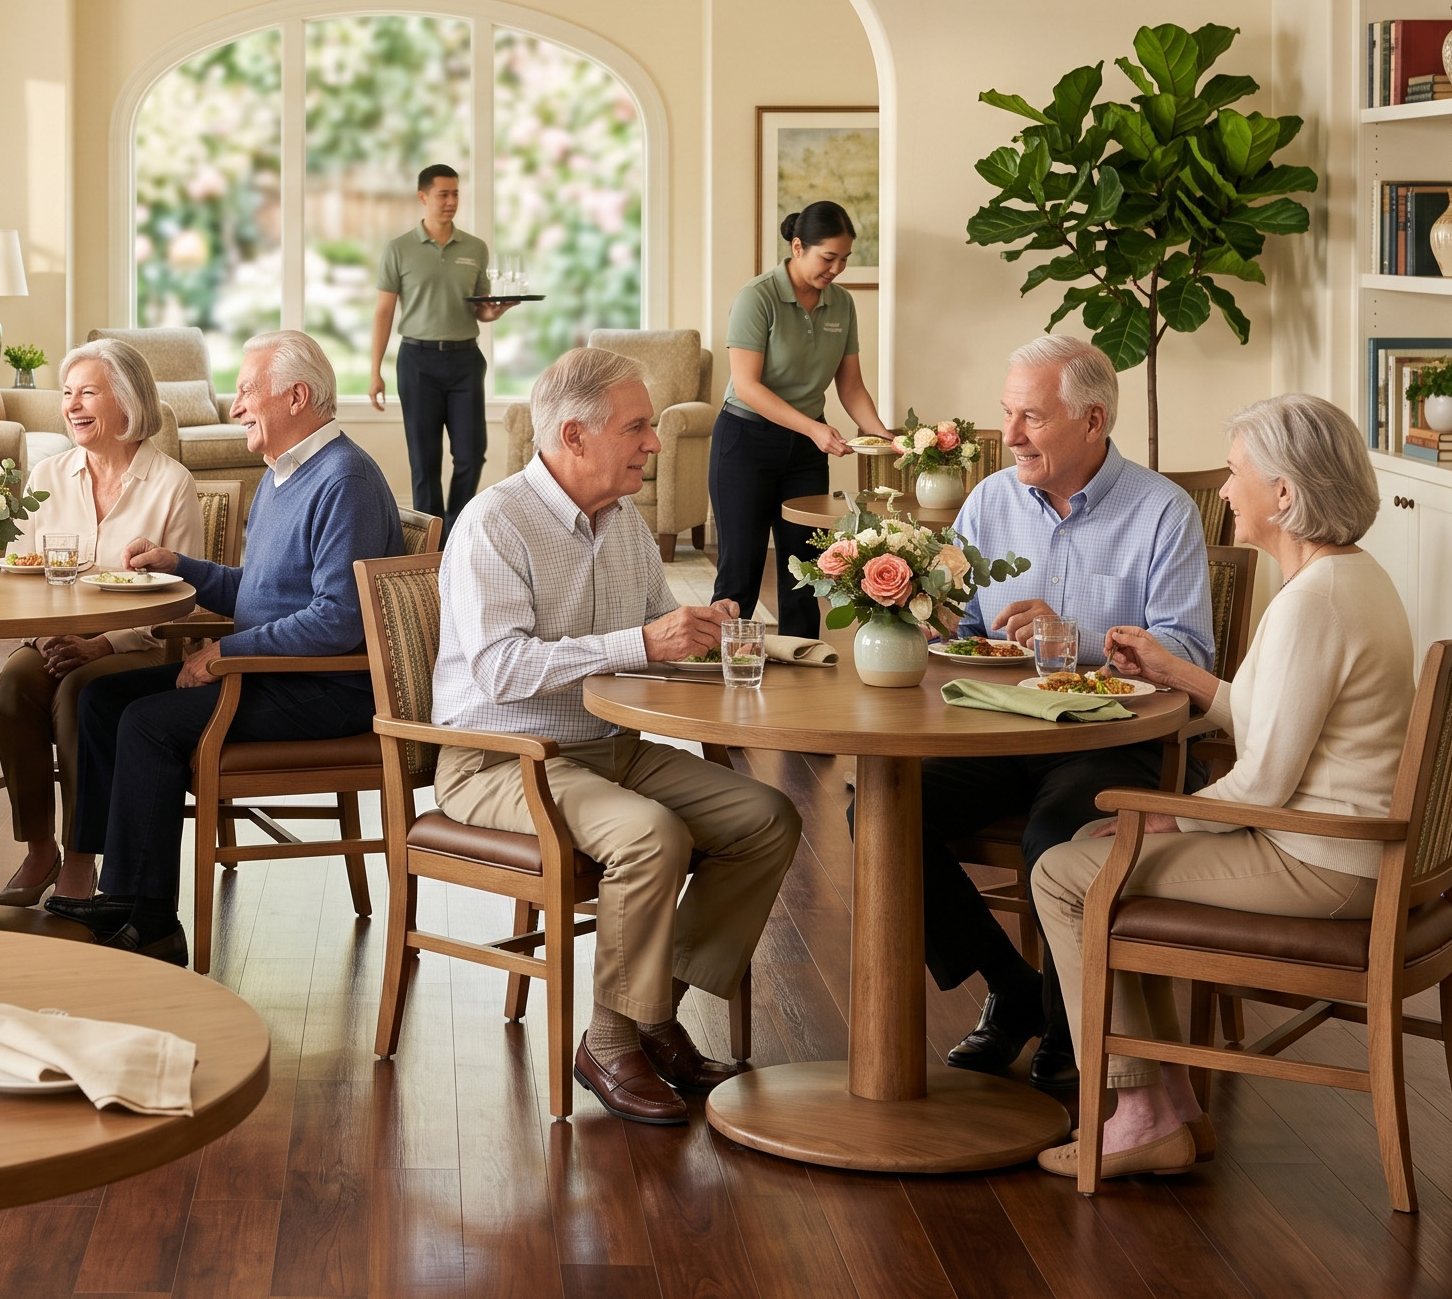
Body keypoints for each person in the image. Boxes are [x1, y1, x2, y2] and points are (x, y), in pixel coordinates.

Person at [1033, 393, 1412, 1179]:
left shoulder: (1312, 604)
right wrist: (1178, 673)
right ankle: (1170, 1104)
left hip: (1322, 865)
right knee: (1098, 857)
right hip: (1337, 850)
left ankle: (1137, 1110)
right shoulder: (1348, 580)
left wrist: (1164, 820)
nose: (1227, 491)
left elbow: (1264, 782)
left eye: (1238, 473)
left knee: (1067, 871)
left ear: (1285, 492)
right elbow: (1276, 721)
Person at [434, 346, 803, 1125]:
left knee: (765, 819)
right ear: (574, 436)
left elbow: (655, 639)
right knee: (649, 836)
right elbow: (499, 670)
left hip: (609, 747)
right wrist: (644, 643)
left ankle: (651, 1014)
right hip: (503, 757)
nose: (654, 443)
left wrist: (706, 635)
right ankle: (609, 1040)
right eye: (637, 427)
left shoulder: (625, 523)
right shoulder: (494, 523)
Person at [907, 334, 1213, 1092]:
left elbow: (1187, 651)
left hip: (1111, 740)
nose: (1009, 436)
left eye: (1031, 418)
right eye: (1008, 414)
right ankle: (1011, 987)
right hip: (996, 734)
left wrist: (1069, 636)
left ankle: (1070, 1028)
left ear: (1093, 420)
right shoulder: (988, 501)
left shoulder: (1162, 512)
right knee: (884, 807)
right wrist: (931, 619)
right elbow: (967, 630)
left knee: (1056, 838)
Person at [49, 331, 404, 966]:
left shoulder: (343, 479)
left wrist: (222, 655)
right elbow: (264, 591)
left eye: (246, 392)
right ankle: (120, 894)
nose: (234, 407)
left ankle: (154, 920)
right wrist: (180, 564)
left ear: (296, 397)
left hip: (327, 690)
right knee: (102, 699)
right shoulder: (283, 474)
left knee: (149, 723)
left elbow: (338, 621)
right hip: (274, 672)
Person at [0, 338, 200, 908]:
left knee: (84, 691)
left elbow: (181, 599)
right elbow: (18, 573)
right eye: (67, 393)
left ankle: (81, 854)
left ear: (127, 401)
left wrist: (100, 642)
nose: (72, 405)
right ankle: (39, 847)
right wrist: (45, 637)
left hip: (135, 645)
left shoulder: (171, 483)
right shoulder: (47, 476)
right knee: (15, 683)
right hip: (52, 635)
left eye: (88, 392)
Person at [709, 201, 888, 636]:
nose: (838, 268)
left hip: (805, 453)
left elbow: (851, 387)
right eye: (829, 257)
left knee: (806, 570)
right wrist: (813, 428)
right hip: (745, 442)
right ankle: (720, 663)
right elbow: (747, 385)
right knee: (742, 568)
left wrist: (883, 435)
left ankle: (803, 667)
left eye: (845, 259)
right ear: (797, 246)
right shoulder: (758, 297)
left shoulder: (842, 305)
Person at [367, 163, 520, 527]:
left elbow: (480, 309)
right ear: (423, 197)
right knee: (425, 460)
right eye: (443, 194)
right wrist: (375, 371)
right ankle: (432, 540)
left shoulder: (475, 248)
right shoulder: (399, 249)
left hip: (465, 360)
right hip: (417, 361)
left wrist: (494, 312)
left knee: (471, 455)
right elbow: (384, 312)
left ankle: (457, 528)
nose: (451, 201)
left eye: (455, 194)